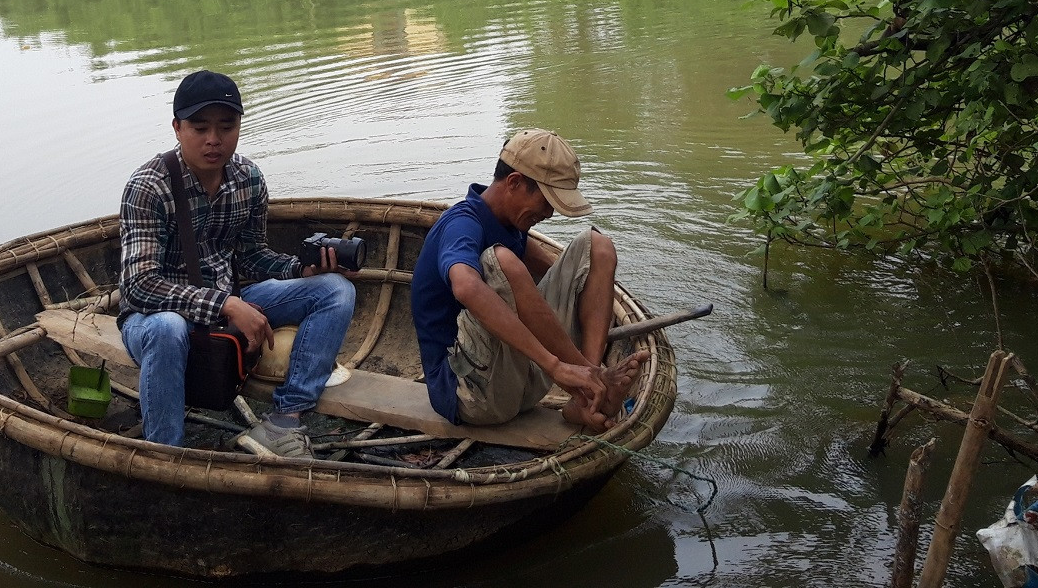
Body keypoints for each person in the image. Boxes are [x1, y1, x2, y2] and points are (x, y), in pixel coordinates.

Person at [117, 70, 355, 458]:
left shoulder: (249, 179)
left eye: (226, 127)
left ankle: (284, 419)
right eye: (200, 128)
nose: (214, 140)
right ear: (177, 128)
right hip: (153, 317)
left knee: (335, 290)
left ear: (239, 126)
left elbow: (252, 255)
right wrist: (227, 305)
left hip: (230, 297)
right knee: (167, 328)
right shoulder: (149, 186)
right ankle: (165, 455)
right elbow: (139, 286)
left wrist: (301, 270)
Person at [410, 129, 647, 430]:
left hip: (518, 381)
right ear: (514, 182)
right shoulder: (462, 224)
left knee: (597, 248)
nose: (549, 214)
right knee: (502, 261)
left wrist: (586, 306)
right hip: (470, 393)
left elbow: (571, 277)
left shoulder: (512, 227)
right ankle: (585, 381)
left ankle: (587, 393)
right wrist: (557, 367)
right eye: (547, 202)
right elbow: (466, 286)